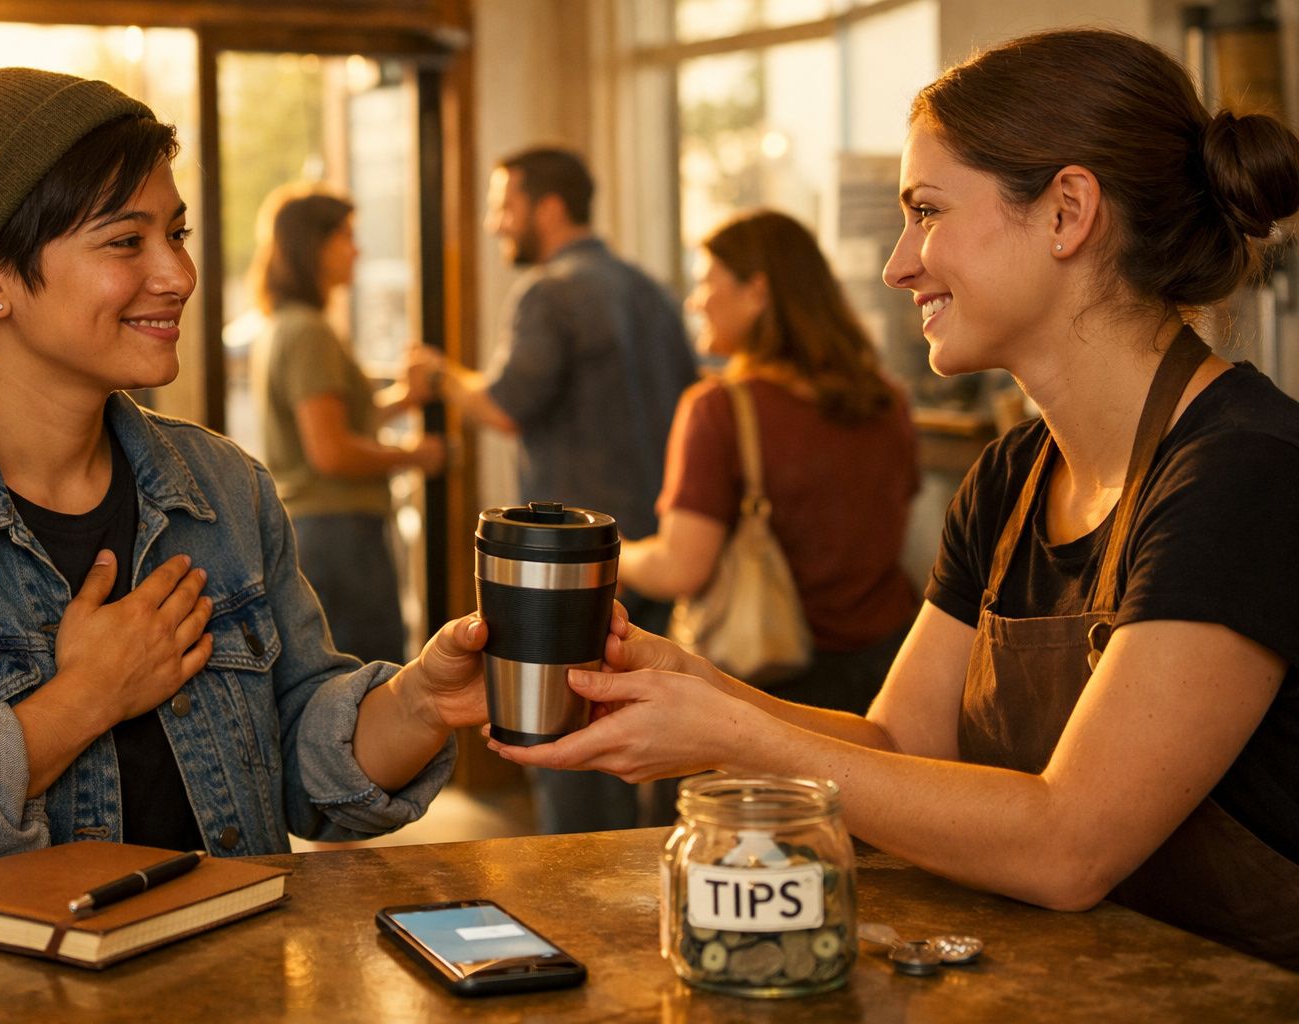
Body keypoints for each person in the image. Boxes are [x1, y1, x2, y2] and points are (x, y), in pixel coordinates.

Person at [488, 29, 1299, 968]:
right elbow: (900, 739)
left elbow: (1067, 844)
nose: (898, 264)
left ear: (1068, 212)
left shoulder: (1245, 474)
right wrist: (692, 687)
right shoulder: (1010, 478)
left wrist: (735, 737)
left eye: (927, 211)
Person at [0, 68, 488, 886]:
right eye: (124, 241)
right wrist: (81, 702)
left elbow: (301, 766)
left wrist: (425, 699)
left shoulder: (223, 488)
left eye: (174, 234)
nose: (177, 275)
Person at [416, 145, 697, 833]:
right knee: (655, 742)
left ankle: (583, 912)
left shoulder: (548, 291)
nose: (493, 223)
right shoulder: (650, 289)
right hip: (661, 550)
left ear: (547, 207)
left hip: (571, 569)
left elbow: (510, 403)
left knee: (571, 749)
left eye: (502, 204)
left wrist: (440, 377)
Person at [621, 210, 917, 713]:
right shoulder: (886, 402)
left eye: (705, 282)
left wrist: (614, 554)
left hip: (768, 685)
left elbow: (680, 570)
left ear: (756, 291)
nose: (695, 301)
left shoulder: (719, 410)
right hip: (890, 671)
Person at [247, 184, 443, 665]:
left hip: (319, 531)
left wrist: (404, 398)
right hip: (339, 535)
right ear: (315, 246)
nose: (357, 249)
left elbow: (338, 419)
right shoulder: (310, 332)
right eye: (346, 236)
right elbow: (330, 450)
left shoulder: (282, 324)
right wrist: (415, 455)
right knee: (366, 679)